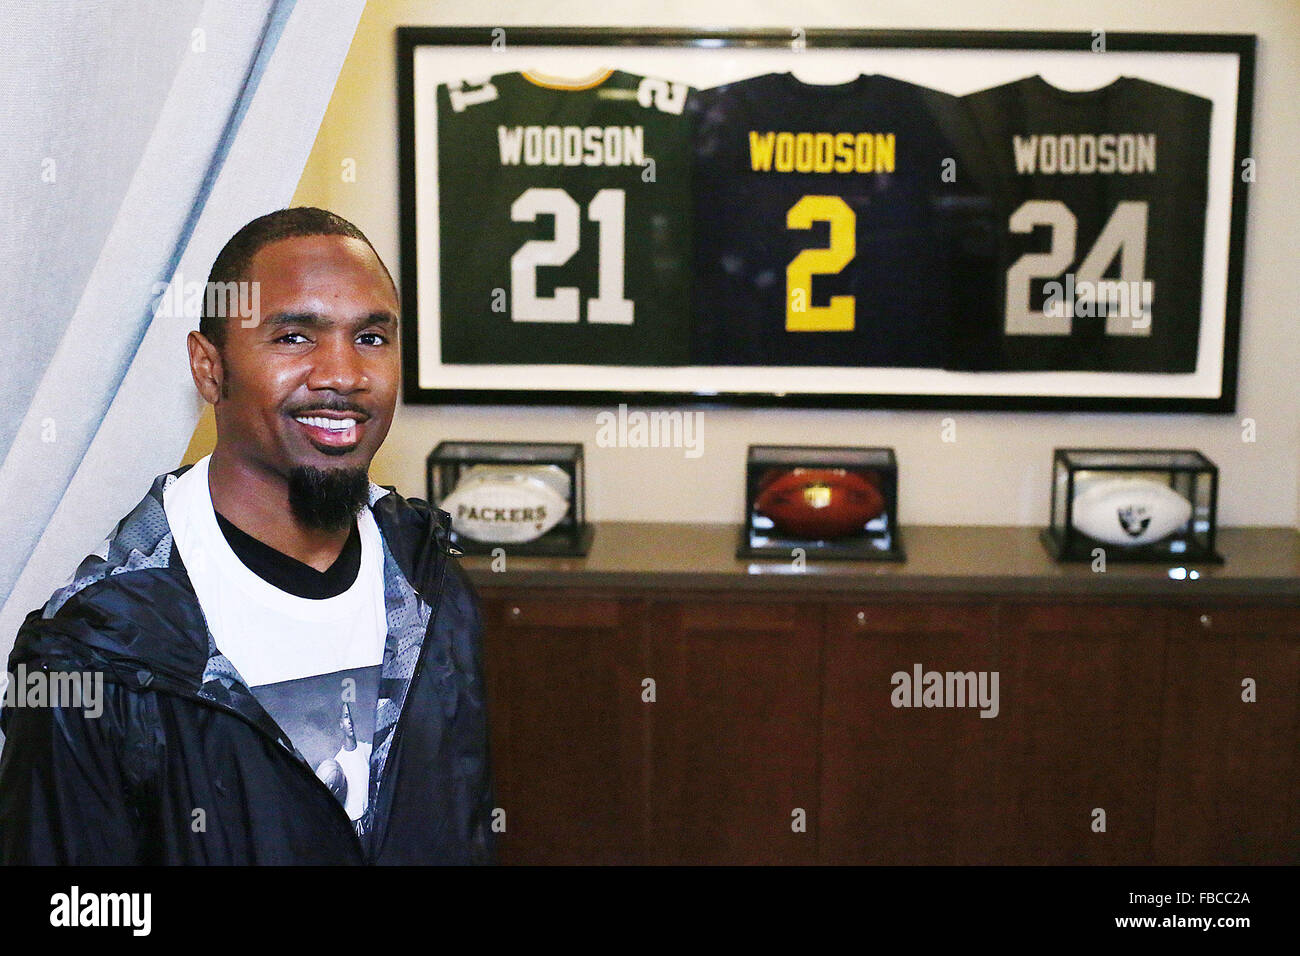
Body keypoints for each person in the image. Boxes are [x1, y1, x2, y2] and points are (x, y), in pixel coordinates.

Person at [0, 207, 495, 864]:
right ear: (210, 368)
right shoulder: (100, 653)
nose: (343, 375)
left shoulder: (431, 585)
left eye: (372, 338)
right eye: (294, 337)